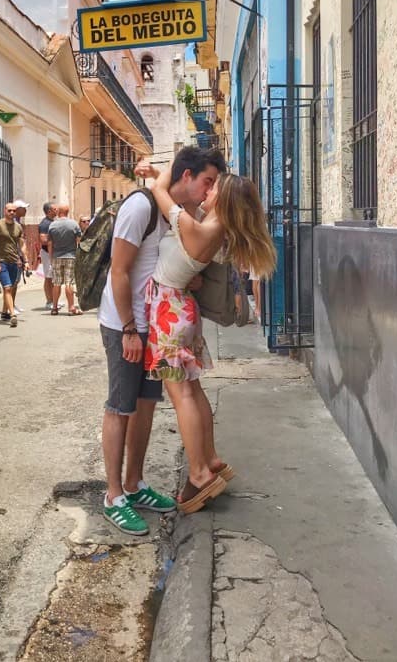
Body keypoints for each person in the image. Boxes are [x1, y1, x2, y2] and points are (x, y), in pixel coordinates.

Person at [99, 146, 226, 536]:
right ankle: (114, 495)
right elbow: (119, 271)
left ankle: (135, 484)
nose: (209, 190)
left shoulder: (176, 211)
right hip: (127, 323)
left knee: (146, 405)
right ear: (186, 177)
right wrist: (129, 329)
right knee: (120, 407)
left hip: (154, 324)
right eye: (207, 181)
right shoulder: (140, 207)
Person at [146, 168, 277, 514]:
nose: (206, 189)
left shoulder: (200, 228)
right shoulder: (213, 227)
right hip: (179, 309)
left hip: (168, 314)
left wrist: (159, 172)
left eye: (213, 185)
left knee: (182, 395)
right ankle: (211, 459)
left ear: (224, 197)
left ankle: (200, 473)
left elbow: (160, 190)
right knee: (193, 390)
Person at [0, 202, 28, 328]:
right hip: (1, 261)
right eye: (9, 210)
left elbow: (22, 244)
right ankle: (12, 315)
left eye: (14, 211)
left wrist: (25, 261)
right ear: (4, 211)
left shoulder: (18, 227)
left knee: (12, 287)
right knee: (7, 288)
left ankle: (4, 312)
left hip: (14, 261)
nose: (12, 213)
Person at [47, 204, 82, 315]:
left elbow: (50, 243)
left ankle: (54, 308)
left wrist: (51, 257)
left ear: (59, 212)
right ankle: (71, 307)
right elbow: (79, 241)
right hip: (70, 256)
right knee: (69, 282)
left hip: (57, 256)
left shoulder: (52, 225)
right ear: (68, 211)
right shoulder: (73, 224)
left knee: (56, 283)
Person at [12, 199, 31, 314]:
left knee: (15, 282)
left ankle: (12, 304)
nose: (25, 210)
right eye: (24, 208)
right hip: (15, 256)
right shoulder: (14, 223)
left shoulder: (18, 222)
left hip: (19, 255)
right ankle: (10, 306)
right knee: (13, 283)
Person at [38, 202, 57, 310]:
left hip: (52, 253)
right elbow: (43, 240)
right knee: (48, 277)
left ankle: (53, 300)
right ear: (49, 211)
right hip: (47, 253)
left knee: (52, 277)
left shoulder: (51, 222)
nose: (57, 210)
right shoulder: (45, 224)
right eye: (55, 209)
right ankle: (49, 301)